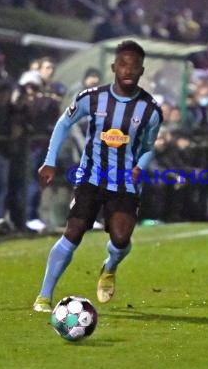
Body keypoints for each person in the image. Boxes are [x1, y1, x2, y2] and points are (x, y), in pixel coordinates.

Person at [33, 40, 162, 312]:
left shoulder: (150, 110)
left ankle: (110, 266)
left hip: (125, 183)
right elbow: (64, 123)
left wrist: (140, 165)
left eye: (134, 66)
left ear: (141, 71)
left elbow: (149, 147)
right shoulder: (91, 97)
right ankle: (44, 296)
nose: (128, 70)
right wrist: (49, 160)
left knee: (120, 239)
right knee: (73, 231)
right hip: (90, 178)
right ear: (114, 66)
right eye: (123, 64)